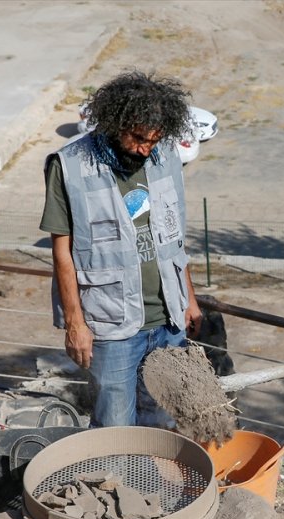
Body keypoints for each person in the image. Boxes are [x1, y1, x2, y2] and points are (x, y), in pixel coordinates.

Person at [40, 71, 203, 428]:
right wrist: (74, 324)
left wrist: (188, 298)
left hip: (168, 321)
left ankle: (151, 484)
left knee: (161, 425)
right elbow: (62, 253)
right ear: (116, 123)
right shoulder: (68, 167)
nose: (146, 148)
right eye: (138, 138)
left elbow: (173, 238)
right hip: (111, 325)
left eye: (154, 139)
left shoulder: (165, 155)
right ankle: (114, 484)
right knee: (114, 429)